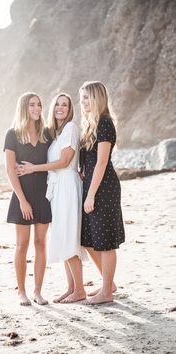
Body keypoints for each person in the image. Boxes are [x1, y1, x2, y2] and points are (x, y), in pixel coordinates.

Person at [18, 93, 87, 303]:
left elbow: (65, 162)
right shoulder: (56, 134)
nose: (60, 108)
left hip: (67, 186)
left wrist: (33, 169)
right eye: (57, 104)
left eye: (65, 105)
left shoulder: (70, 128)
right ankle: (71, 287)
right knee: (62, 234)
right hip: (57, 189)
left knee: (68, 236)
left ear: (70, 109)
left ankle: (80, 290)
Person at [3, 92, 52, 306]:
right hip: (22, 196)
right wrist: (22, 200)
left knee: (41, 243)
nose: (37, 108)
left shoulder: (47, 134)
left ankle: (38, 291)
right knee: (22, 244)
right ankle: (21, 291)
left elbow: (59, 160)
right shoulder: (12, 134)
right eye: (32, 104)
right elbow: (10, 170)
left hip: (44, 195)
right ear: (24, 107)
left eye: (39, 104)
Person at [79, 81, 125, 305]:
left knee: (106, 242)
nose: (83, 102)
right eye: (82, 98)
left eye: (87, 97)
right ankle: (109, 283)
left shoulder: (105, 123)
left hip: (104, 188)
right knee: (88, 239)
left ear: (97, 98)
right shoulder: (90, 124)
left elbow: (101, 162)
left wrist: (90, 195)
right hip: (92, 186)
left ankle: (106, 291)